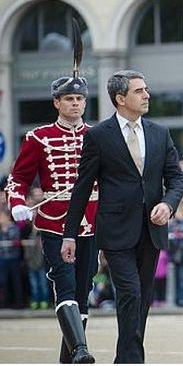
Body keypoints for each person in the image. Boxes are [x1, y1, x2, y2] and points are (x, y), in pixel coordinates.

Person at [62, 69, 183, 363]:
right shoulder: (98, 136)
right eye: (139, 91)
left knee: (141, 300)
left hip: (152, 230)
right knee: (129, 292)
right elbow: (81, 189)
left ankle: (125, 357)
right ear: (120, 98)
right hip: (116, 230)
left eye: (146, 89)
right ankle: (131, 360)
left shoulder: (159, 133)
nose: (146, 95)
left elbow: (176, 179)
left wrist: (168, 205)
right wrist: (70, 234)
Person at [4, 29, 98, 363]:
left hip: (91, 219)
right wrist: (17, 204)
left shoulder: (98, 135)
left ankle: (70, 356)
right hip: (55, 220)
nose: (75, 104)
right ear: (56, 102)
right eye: (69, 99)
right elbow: (18, 178)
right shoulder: (39, 137)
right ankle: (83, 349)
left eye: (80, 99)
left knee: (85, 288)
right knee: (65, 282)